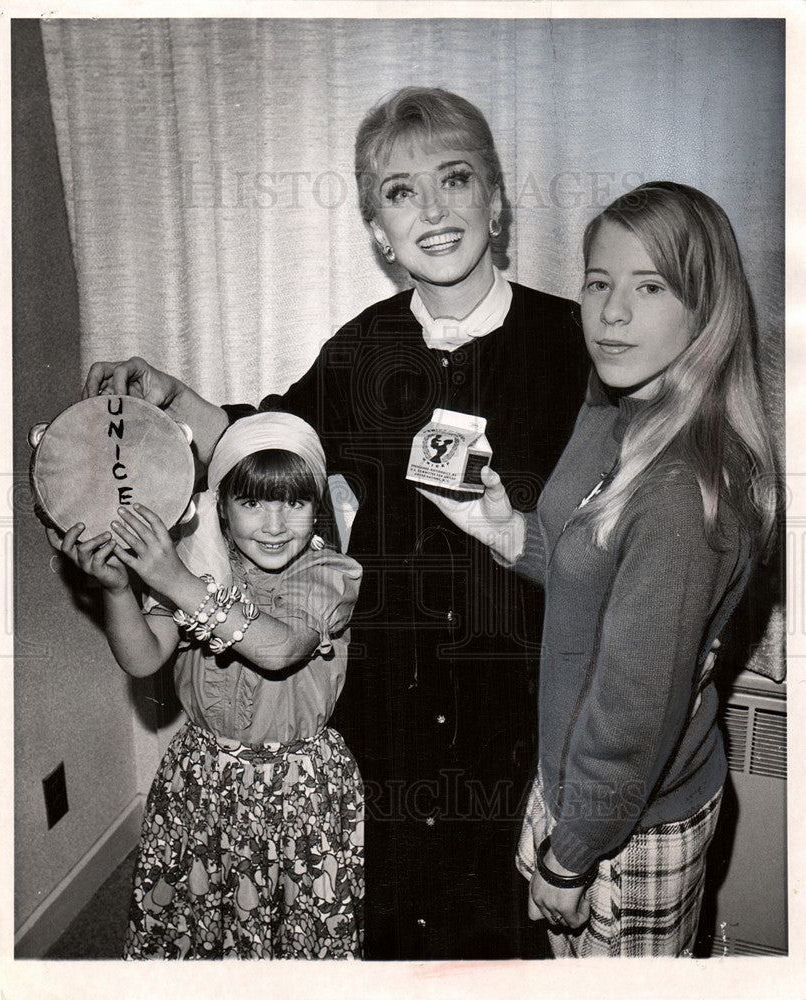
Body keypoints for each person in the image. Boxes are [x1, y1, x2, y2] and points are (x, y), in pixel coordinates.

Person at [82, 87, 590, 959]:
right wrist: (170, 394)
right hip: (384, 687)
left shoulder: (571, 343)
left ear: (497, 203)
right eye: (400, 191)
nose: (431, 210)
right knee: (382, 912)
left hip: (514, 689)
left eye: (454, 179)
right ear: (377, 231)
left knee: (498, 924)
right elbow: (270, 435)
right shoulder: (365, 346)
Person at [421, 181, 778, 957]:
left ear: (706, 308)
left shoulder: (682, 492)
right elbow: (596, 575)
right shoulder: (616, 405)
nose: (612, 313)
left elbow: (632, 711)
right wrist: (509, 531)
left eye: (650, 287)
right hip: (578, 782)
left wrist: (571, 854)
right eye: (598, 283)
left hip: (624, 820)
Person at [57, 412, 364, 959]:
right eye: (252, 503)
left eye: (293, 503)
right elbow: (141, 657)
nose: (274, 524)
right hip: (201, 780)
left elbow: (280, 650)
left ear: (315, 507)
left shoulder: (329, 572)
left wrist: (174, 580)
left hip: (296, 790)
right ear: (220, 506)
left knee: (293, 932)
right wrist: (118, 589)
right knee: (198, 924)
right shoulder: (203, 564)